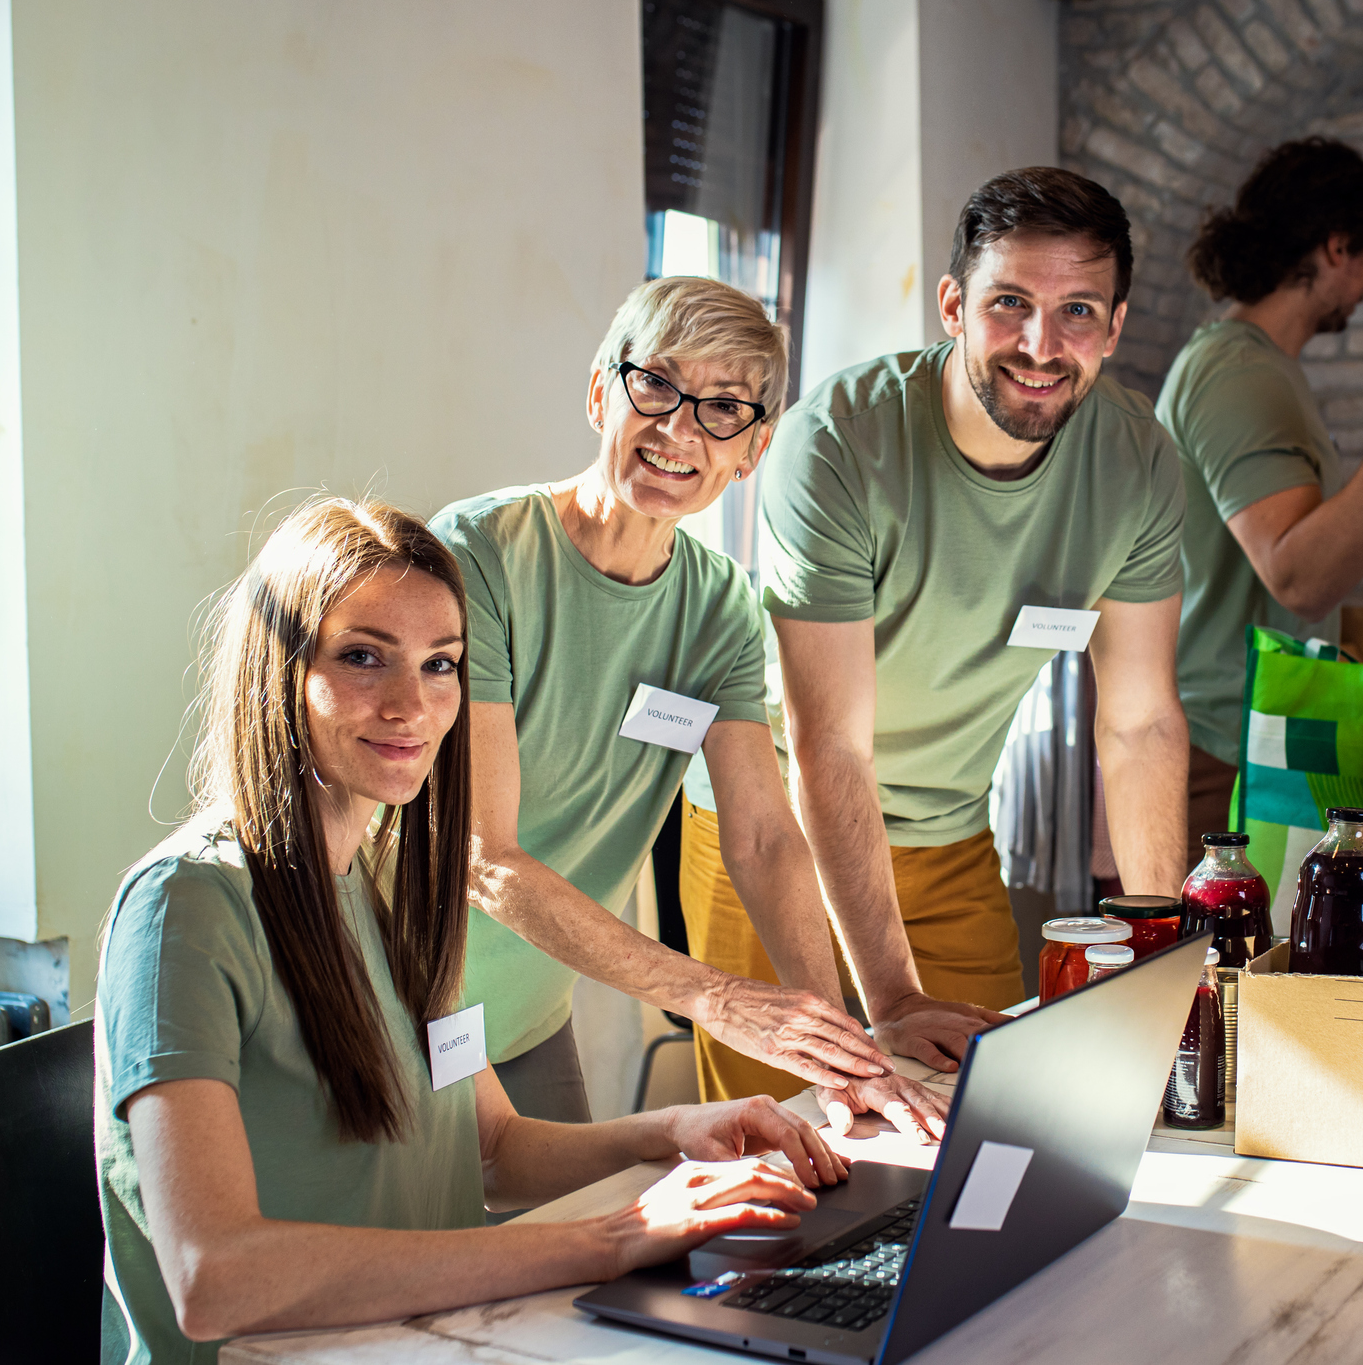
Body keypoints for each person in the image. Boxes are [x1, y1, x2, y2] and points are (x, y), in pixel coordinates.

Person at [96, 497, 843, 1364]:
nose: (412, 704)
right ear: (279, 670)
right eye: (363, 657)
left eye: (441, 664)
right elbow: (212, 1279)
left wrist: (672, 1132)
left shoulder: (394, 878)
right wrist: (613, 1237)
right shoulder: (186, 905)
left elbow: (489, 1149)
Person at [679, 167, 1192, 1106]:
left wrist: (1157, 954)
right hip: (773, 832)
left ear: (1115, 328)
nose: (1041, 345)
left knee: (994, 1120)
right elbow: (829, 745)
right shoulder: (838, 441)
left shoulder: (1138, 462)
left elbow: (1141, 725)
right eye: (1010, 304)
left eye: (1078, 310)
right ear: (952, 305)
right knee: (794, 1154)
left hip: (949, 835)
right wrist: (893, 998)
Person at [433, 278, 947, 1140]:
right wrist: (715, 998)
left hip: (526, 1016)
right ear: (602, 392)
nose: (679, 430)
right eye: (657, 387)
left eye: (723, 409)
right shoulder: (479, 551)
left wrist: (834, 1050)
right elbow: (485, 856)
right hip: (400, 997)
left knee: (561, 1257)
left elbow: (762, 836)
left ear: (752, 450)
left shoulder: (719, 606)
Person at [1156, 136, 1363, 839]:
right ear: (1335, 247)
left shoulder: (1256, 367)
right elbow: (1298, 575)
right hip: (1222, 747)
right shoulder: (1236, 372)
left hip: (1253, 734)